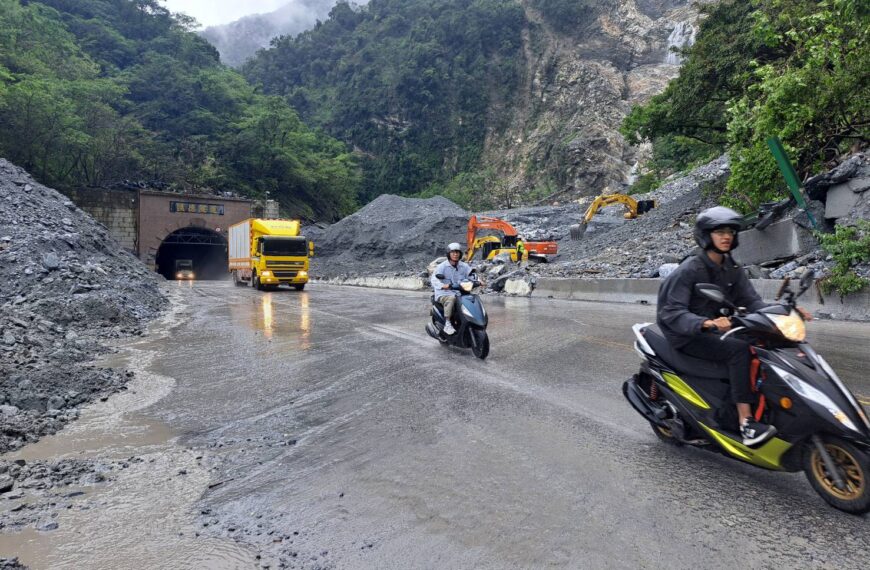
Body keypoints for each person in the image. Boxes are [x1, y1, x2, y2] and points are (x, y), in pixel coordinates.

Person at [656, 206, 812, 446]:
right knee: (739, 351)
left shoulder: (732, 268)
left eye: (730, 231)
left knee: (767, 342)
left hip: (721, 329)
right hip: (688, 335)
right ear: (706, 235)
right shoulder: (689, 270)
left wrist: (785, 312)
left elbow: (751, 301)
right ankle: (746, 422)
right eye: (719, 231)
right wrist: (705, 322)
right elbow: (671, 311)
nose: (726, 236)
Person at [431, 242, 473, 335]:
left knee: (470, 299)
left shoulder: (463, 266)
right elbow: (434, 279)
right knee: (451, 299)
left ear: (460, 254)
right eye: (453, 252)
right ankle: (448, 323)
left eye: (457, 252)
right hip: (444, 293)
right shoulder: (442, 266)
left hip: (459, 292)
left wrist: (479, 280)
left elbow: (471, 275)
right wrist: (442, 285)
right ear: (448, 254)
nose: (455, 254)